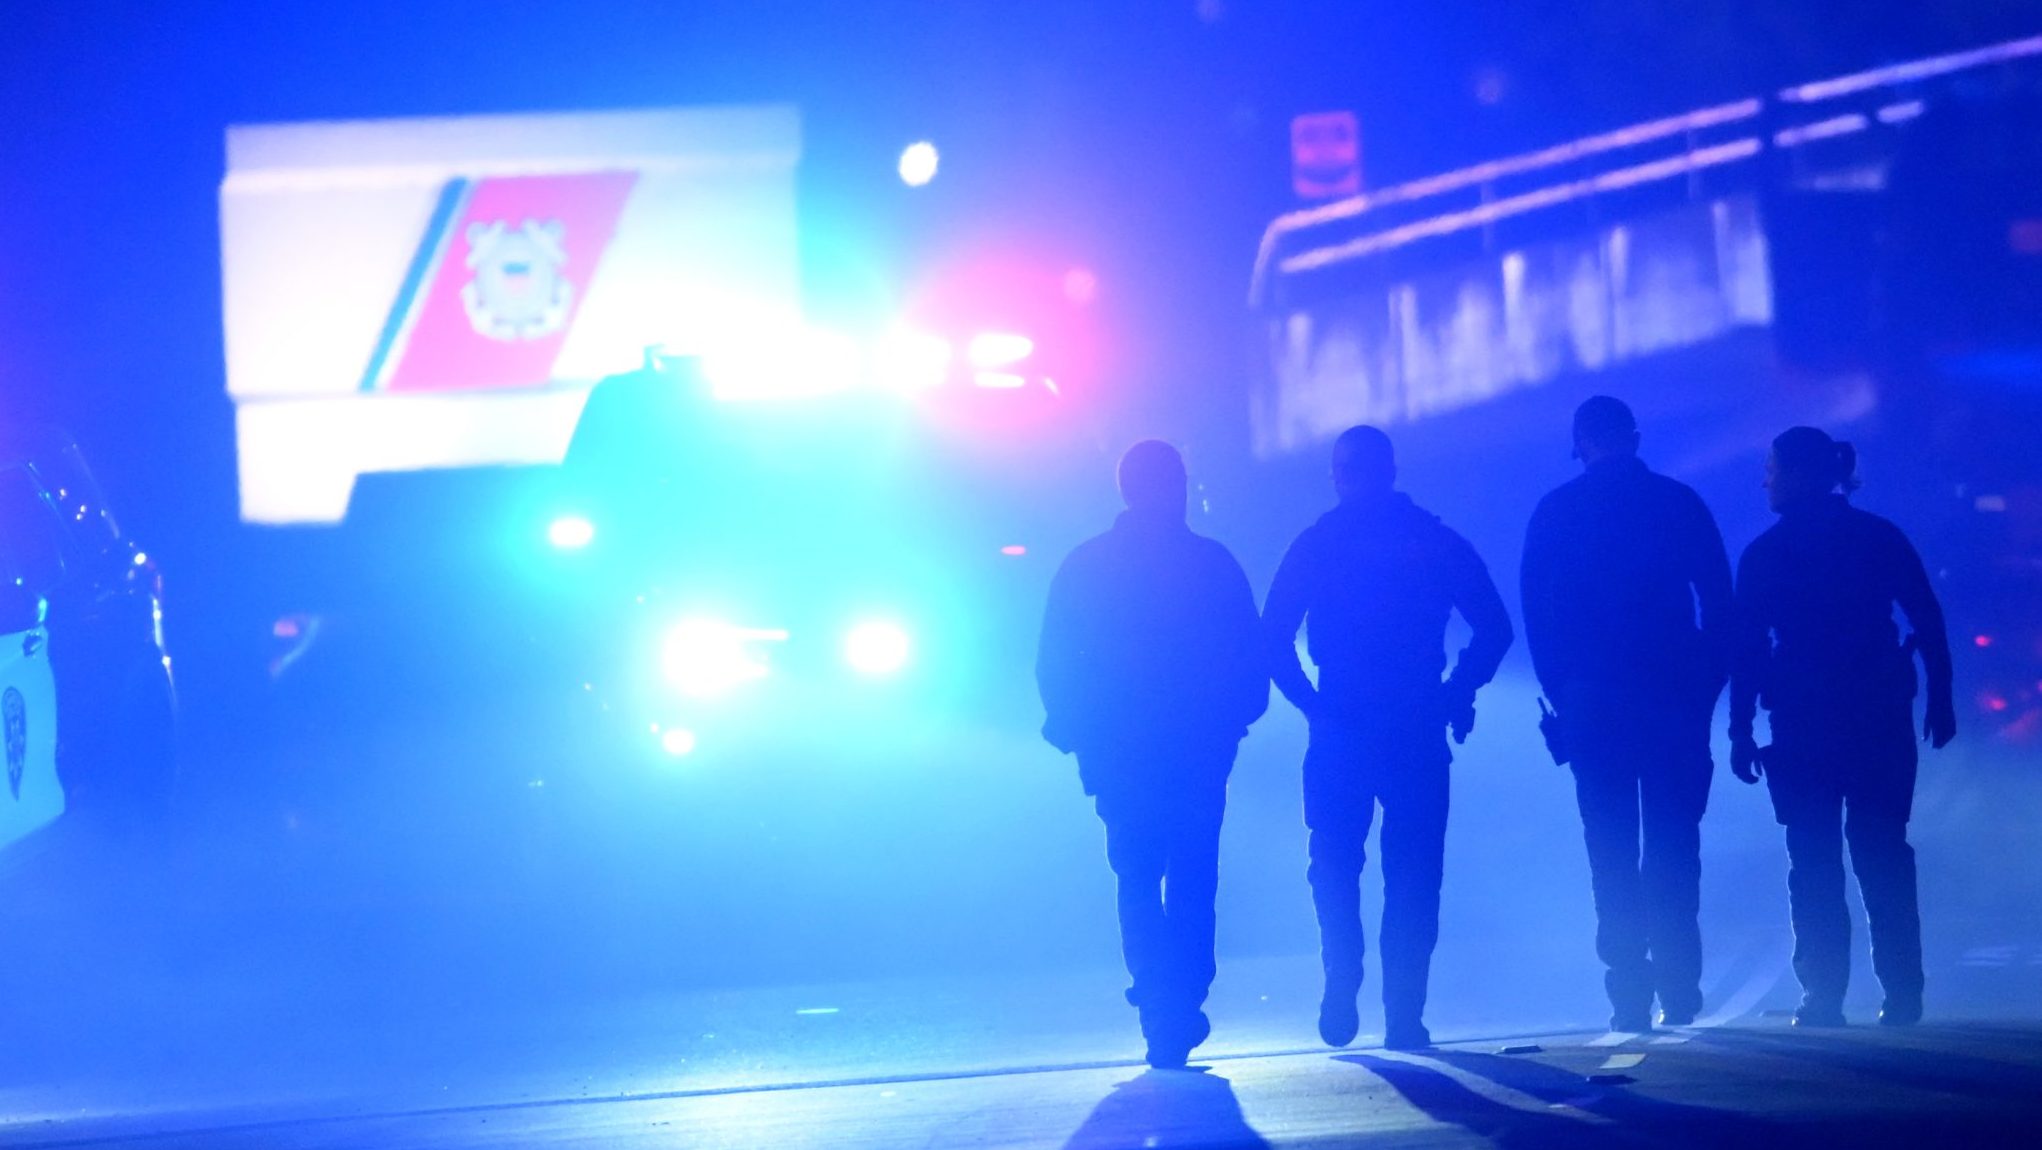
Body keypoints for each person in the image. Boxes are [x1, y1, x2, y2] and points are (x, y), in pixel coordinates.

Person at [1263, 425, 1513, 1051]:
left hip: (1341, 726)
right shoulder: (1432, 538)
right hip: (1416, 724)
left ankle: (1341, 976)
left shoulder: (1317, 543)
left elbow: (1271, 638)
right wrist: (1455, 692)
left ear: (1337, 476)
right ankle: (1404, 1014)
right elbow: (1495, 628)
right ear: (1392, 470)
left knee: (1334, 864)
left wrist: (1313, 706)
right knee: (1414, 873)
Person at [1036, 440, 1270, 1068]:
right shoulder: (1212, 564)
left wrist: (1078, 734)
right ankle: (1180, 997)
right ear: (1179, 485)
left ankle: (1162, 1005)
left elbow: (1056, 663)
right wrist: (1232, 725)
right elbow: (1252, 659)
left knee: (1138, 878)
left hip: (1124, 758)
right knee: (1192, 874)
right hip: (1195, 754)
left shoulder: (1087, 566)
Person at [1520, 396, 1735, 1032]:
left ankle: (1628, 995)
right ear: (1635, 438)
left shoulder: (1555, 511)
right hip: (1672, 699)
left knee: (1609, 849)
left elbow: (1538, 616)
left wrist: (1564, 693)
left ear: (1580, 442)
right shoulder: (1679, 502)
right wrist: (1706, 685)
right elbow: (1719, 603)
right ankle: (1680, 984)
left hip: (1593, 702)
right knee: (1674, 841)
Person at [1730, 426, 1954, 1027]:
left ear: (1797, 474)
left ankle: (1823, 995)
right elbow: (1926, 615)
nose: (1765, 481)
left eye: (1772, 468)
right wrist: (1940, 696)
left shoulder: (1765, 553)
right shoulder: (1878, 536)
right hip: (1878, 714)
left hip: (1802, 722)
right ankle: (1902, 993)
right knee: (1883, 852)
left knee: (1813, 859)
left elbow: (1746, 650)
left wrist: (1740, 729)